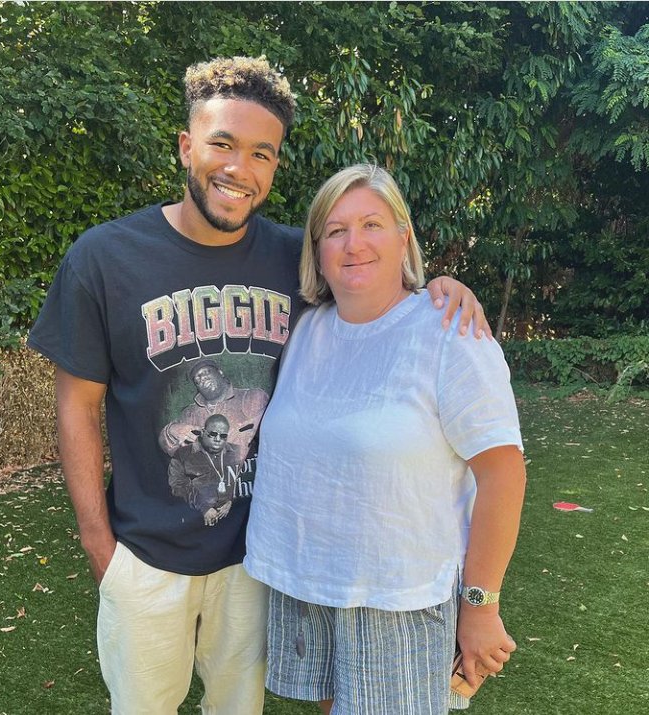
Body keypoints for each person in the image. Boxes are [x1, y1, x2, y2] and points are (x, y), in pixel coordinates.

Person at [28, 56, 490, 715]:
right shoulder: (104, 258)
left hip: (256, 560)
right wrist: (98, 541)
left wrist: (440, 289)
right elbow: (76, 403)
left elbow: (379, 289)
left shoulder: (294, 257)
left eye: (261, 153)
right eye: (222, 144)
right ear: (187, 146)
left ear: (274, 166)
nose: (239, 169)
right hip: (145, 555)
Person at [244, 164, 526, 714]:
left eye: (372, 224)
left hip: (399, 596)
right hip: (309, 581)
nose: (354, 244)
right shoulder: (306, 328)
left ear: (404, 238)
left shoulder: (449, 332)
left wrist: (481, 607)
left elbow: (504, 473)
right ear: (317, 250)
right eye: (335, 230)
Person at [159, 358, 268, 461]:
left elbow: (276, 428)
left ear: (220, 372)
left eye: (206, 372)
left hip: (251, 476)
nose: (202, 378)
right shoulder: (190, 414)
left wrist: (253, 426)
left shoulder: (251, 397)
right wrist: (172, 430)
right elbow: (170, 448)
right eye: (197, 379)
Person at [168, 414, 242, 526]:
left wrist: (232, 500)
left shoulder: (236, 452)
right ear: (203, 432)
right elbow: (177, 487)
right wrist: (204, 507)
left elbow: (245, 481)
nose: (218, 439)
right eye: (213, 434)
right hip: (194, 522)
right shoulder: (183, 455)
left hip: (232, 522)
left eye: (223, 436)